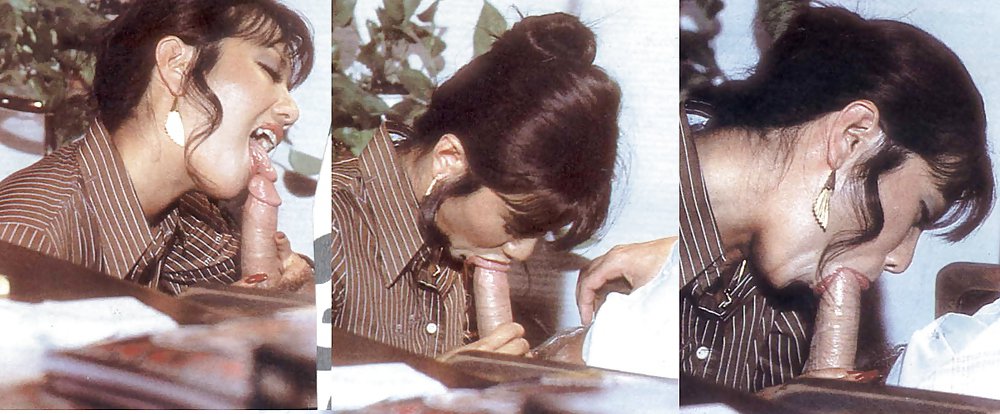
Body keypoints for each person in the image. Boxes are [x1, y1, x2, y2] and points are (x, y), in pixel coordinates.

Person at [676, 5, 994, 393]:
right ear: (853, 137)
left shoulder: (785, 307)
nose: (900, 260)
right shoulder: (637, 214)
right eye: (918, 213)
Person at [330, 12, 622, 358]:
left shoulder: (459, 234)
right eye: (515, 225)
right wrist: (438, 382)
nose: (522, 253)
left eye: (539, 232)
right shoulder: (332, 228)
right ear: (449, 159)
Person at [0, 0, 316, 294]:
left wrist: (265, 253)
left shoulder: (182, 215)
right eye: (269, 71)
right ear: (178, 65)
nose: (292, 110)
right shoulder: (31, 235)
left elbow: (270, 287)